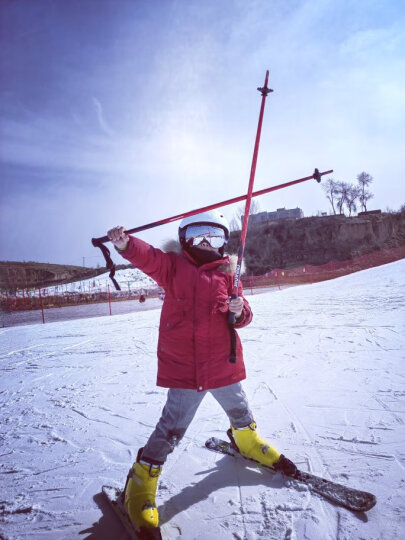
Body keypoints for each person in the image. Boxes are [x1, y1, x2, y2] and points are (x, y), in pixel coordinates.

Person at [107, 210, 296, 535]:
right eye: (198, 236)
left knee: (239, 406)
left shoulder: (228, 273)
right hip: (186, 369)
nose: (206, 243)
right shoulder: (173, 266)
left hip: (223, 362)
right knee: (172, 428)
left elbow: (243, 315)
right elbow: (149, 258)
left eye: (214, 236)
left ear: (223, 242)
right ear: (184, 240)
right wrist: (126, 244)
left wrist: (240, 310)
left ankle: (246, 439)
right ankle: (140, 480)